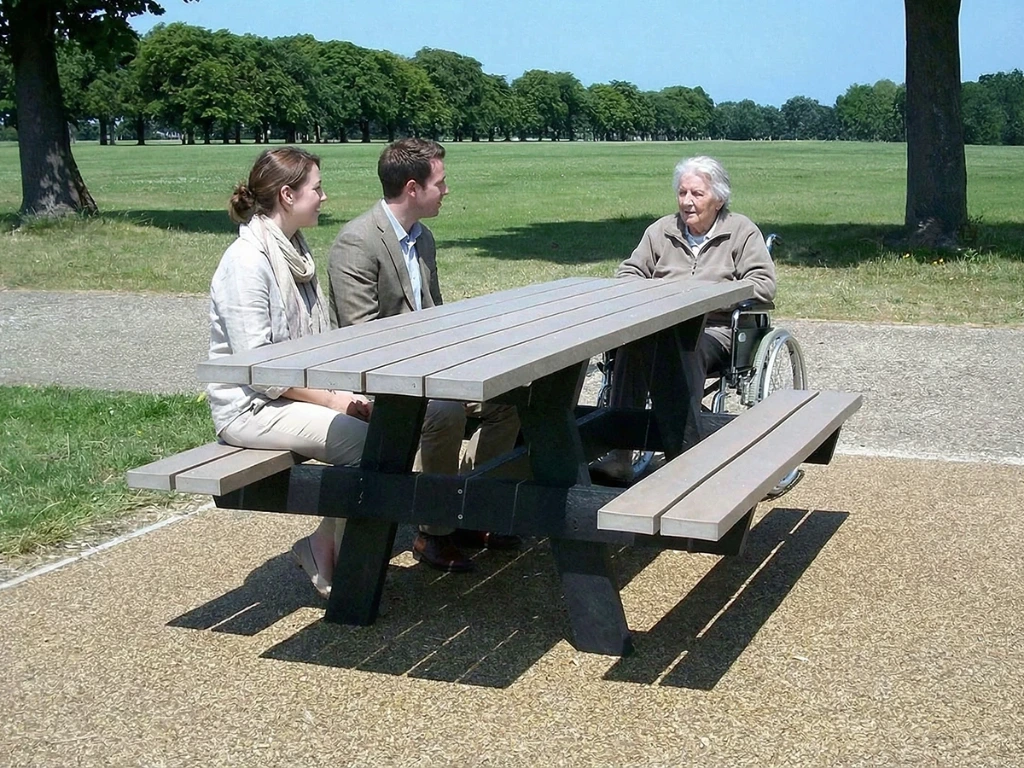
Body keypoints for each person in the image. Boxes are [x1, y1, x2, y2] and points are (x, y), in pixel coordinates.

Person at [327, 138, 521, 573]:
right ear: (413, 188)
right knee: (446, 410)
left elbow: (434, 316)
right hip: (383, 381)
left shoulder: (422, 238)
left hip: (431, 370)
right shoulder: (356, 243)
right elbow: (360, 341)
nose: (447, 190)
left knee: (511, 399)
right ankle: (434, 531)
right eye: (441, 182)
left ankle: (474, 509)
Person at [590, 155, 777, 484]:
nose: (687, 202)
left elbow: (763, 286)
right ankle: (620, 454)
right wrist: (649, 292)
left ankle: (684, 453)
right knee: (630, 348)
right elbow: (629, 271)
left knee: (681, 350)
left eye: (697, 194)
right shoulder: (661, 230)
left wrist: (709, 294)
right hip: (657, 325)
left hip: (716, 330)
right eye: (682, 193)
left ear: (718, 198)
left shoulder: (742, 231)